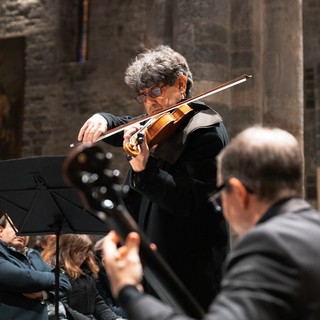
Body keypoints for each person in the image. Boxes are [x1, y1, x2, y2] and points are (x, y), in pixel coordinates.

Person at [102, 126, 320, 320]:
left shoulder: (268, 245)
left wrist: (128, 289)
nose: (220, 206)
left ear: (239, 191)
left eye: (219, 194)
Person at [77, 45, 229, 310]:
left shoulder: (205, 132)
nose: (150, 103)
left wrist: (144, 169)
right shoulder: (159, 120)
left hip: (188, 271)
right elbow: (125, 123)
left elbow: (188, 202)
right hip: (151, 264)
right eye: (143, 95)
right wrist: (104, 119)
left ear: (181, 84)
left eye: (156, 91)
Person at [0, 214, 71, 320]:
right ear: (0, 231)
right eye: (15, 226)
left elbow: (66, 283)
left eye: (25, 230)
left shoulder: (34, 254)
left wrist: (44, 294)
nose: (21, 233)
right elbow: (23, 278)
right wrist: (54, 277)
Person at [41, 233, 123, 320]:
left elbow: (98, 303)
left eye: (86, 252)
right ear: (67, 251)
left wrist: (114, 319)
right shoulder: (55, 272)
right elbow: (64, 308)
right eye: (80, 252)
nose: (83, 257)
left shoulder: (86, 271)